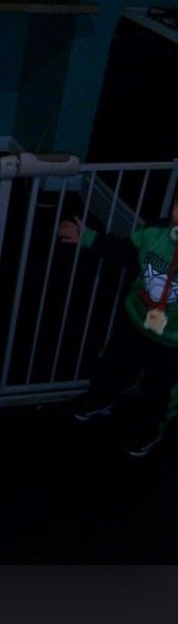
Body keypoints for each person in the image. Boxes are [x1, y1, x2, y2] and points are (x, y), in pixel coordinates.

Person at [58, 187, 178, 458]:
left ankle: (150, 428)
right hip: (135, 320)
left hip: (172, 341)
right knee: (114, 364)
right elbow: (124, 250)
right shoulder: (154, 233)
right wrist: (88, 237)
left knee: (159, 389)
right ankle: (102, 398)